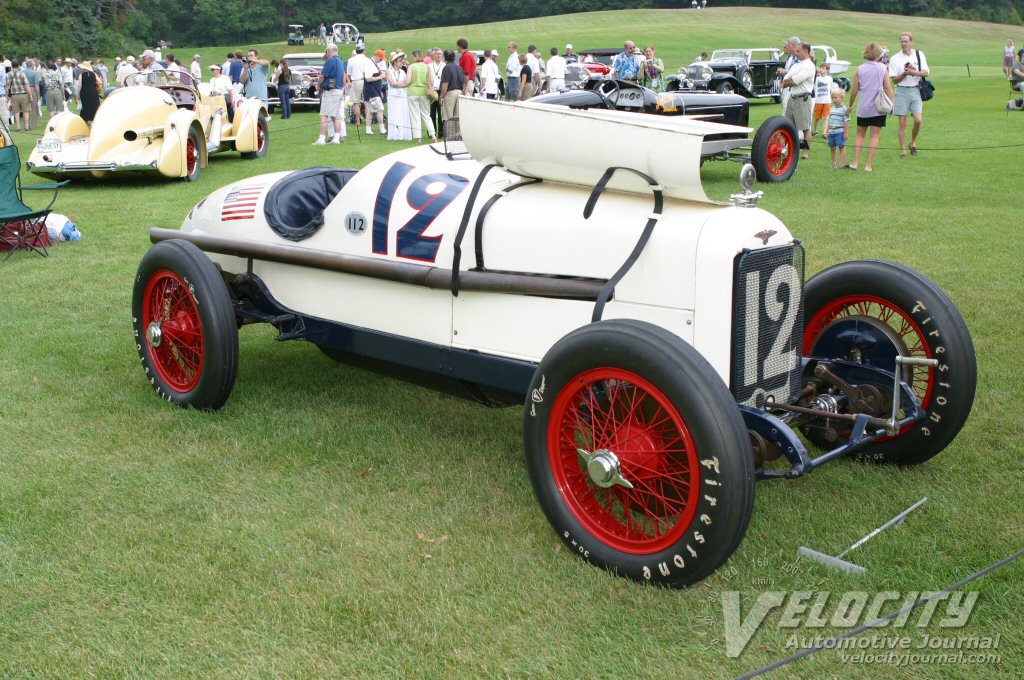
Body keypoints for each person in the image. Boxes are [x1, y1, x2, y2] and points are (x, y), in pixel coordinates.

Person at [847, 42, 894, 172]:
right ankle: (868, 165)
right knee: (875, 136)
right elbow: (888, 88)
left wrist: (850, 105)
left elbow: (854, 91)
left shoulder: (860, 69)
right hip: (878, 108)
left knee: (860, 135)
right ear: (879, 54)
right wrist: (892, 104)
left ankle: (855, 163)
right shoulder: (882, 68)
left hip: (863, 108)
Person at [888, 32, 929, 157]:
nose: (904, 44)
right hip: (901, 91)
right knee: (903, 121)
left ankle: (913, 142)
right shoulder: (895, 58)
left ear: (911, 42)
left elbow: (926, 73)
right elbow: (894, 80)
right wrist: (905, 74)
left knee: (918, 120)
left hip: (916, 90)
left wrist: (914, 72)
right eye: (902, 41)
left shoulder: (919, 55)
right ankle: (903, 150)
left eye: (906, 41)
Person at [781, 42, 815, 160]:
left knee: (805, 127)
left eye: (798, 51)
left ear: (806, 51)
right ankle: (789, 149)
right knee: (788, 126)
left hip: (803, 98)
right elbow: (786, 79)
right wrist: (788, 81)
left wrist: (789, 81)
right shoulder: (796, 65)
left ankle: (806, 153)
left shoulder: (809, 66)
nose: (795, 53)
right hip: (792, 97)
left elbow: (795, 81)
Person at [314, 44, 346, 144]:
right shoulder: (340, 60)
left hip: (330, 91)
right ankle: (336, 138)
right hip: (339, 90)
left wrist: (318, 86)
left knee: (323, 115)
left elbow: (322, 76)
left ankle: (322, 139)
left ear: (329, 51)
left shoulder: (330, 60)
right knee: (335, 116)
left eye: (326, 52)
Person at [406, 50, 436, 142]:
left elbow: (408, 81)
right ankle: (433, 136)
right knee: (426, 115)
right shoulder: (427, 67)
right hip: (424, 92)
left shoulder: (411, 67)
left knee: (415, 115)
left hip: (413, 92)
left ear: (415, 57)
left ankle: (419, 137)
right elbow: (432, 82)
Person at [386, 51, 412, 141]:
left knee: (402, 114)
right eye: (400, 61)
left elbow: (407, 83)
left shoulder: (402, 72)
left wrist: (400, 84)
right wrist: (402, 84)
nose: (402, 62)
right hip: (393, 96)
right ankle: (395, 134)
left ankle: (402, 133)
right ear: (395, 62)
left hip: (402, 96)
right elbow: (392, 83)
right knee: (394, 115)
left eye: (402, 60)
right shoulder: (389, 71)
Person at [347, 43, 374, 127]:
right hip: (366, 81)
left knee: (356, 102)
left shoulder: (351, 60)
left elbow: (349, 73)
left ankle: (358, 121)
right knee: (367, 102)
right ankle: (368, 122)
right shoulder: (367, 59)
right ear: (364, 50)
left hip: (356, 81)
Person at [363, 50, 387, 135]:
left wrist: (379, 91)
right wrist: (380, 76)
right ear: (377, 56)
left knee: (370, 111)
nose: (381, 61)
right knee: (380, 109)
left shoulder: (373, 63)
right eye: (381, 59)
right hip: (371, 90)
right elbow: (368, 78)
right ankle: (382, 129)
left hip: (373, 90)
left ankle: (368, 129)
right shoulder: (369, 64)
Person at [439, 48, 465, 125]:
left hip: (450, 93)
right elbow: (463, 83)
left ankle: (448, 135)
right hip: (460, 92)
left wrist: (441, 96)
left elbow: (445, 84)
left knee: (448, 117)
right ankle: (457, 135)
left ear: (445, 58)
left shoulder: (446, 68)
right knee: (457, 117)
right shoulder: (459, 67)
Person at [7, 60, 34, 131]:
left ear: (11, 66)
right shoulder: (22, 74)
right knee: (26, 111)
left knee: (16, 111)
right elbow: (27, 85)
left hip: (14, 95)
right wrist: (30, 95)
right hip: (24, 95)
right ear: (18, 65)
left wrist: (7, 96)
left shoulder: (8, 74)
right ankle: (26, 126)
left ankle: (18, 127)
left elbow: (7, 86)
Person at [827, 88, 850, 168]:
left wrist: (846, 133)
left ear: (842, 98)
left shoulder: (845, 109)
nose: (833, 100)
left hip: (840, 132)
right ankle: (834, 163)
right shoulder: (831, 109)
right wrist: (827, 132)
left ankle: (842, 164)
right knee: (832, 148)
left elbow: (846, 121)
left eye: (835, 98)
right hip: (832, 132)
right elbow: (829, 121)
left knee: (841, 147)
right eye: (832, 98)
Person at [811, 62, 834, 137]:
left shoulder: (830, 78)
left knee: (826, 117)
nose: (821, 69)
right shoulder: (817, 78)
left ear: (827, 70)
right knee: (817, 117)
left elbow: (831, 89)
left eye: (823, 68)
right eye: (820, 68)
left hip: (827, 101)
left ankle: (824, 132)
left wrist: (832, 98)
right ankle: (815, 130)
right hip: (818, 100)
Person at [427, 48, 444, 133]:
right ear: (433, 55)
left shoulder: (444, 65)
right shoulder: (429, 66)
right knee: (431, 113)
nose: (438, 55)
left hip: (441, 91)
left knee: (441, 113)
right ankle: (432, 132)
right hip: (432, 90)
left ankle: (441, 133)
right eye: (436, 54)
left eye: (440, 53)